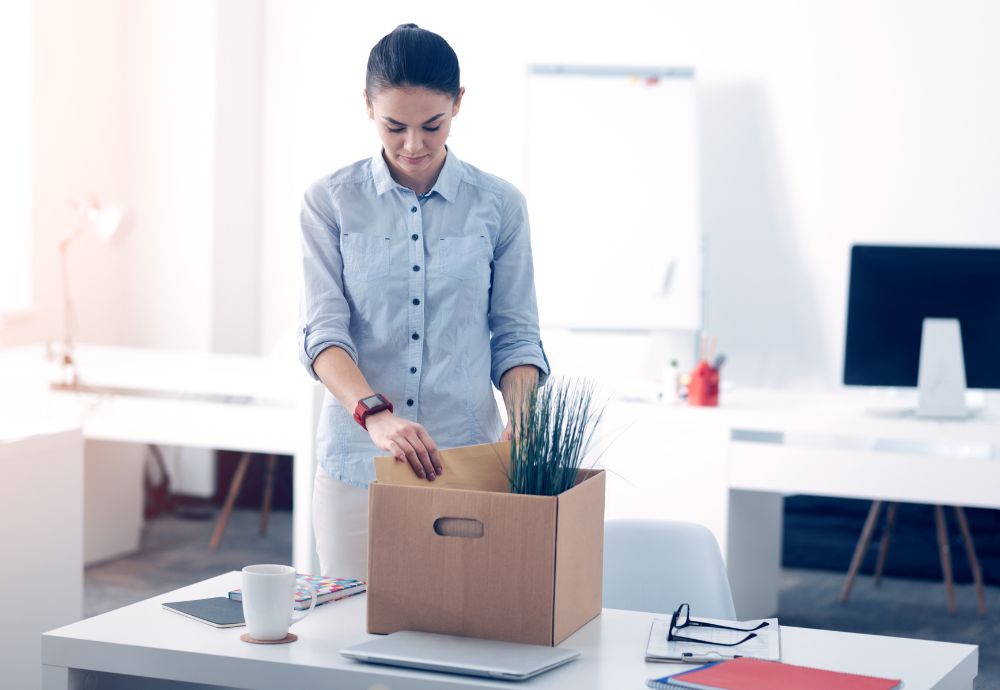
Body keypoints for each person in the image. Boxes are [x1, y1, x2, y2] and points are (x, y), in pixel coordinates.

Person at [298, 23, 549, 579]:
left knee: (461, 633)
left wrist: (525, 419)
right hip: (358, 468)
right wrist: (375, 416)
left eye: (432, 125)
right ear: (367, 106)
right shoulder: (330, 202)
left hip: (466, 464)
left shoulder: (500, 205)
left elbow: (515, 335)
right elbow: (323, 336)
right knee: (352, 634)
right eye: (395, 126)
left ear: (459, 104)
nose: (414, 145)